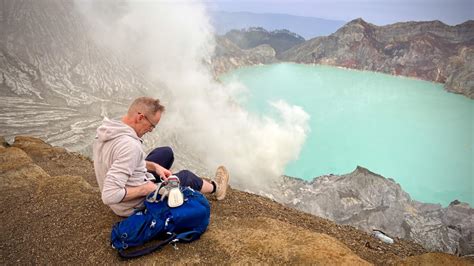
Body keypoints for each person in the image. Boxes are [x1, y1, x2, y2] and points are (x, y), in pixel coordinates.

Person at [93, 97, 229, 217]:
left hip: (130, 185)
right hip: (132, 204)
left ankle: (156, 177)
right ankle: (216, 188)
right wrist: (146, 188)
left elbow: (122, 159)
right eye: (152, 125)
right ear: (140, 117)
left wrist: (155, 167)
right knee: (185, 177)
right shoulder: (130, 147)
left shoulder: (108, 130)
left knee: (165, 153)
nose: (151, 130)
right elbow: (109, 195)